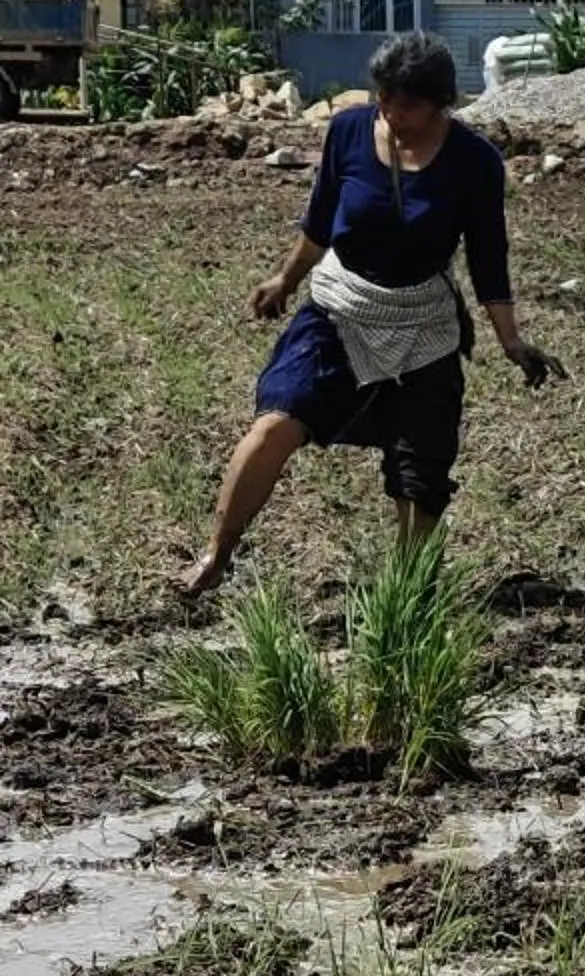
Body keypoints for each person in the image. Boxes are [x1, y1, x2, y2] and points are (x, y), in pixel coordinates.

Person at [176, 32, 561, 598]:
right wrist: (285, 279)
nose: (391, 113)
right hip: (341, 307)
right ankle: (218, 551)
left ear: (439, 104)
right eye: (384, 98)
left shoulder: (474, 162)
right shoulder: (350, 131)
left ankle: (404, 598)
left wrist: (511, 340)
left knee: (419, 474)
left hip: (422, 324)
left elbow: (488, 257)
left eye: (407, 104)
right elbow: (322, 217)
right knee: (277, 421)